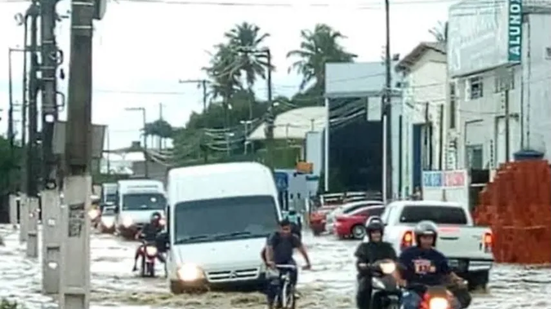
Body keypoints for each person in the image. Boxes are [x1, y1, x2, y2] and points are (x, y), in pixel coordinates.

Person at [399, 221, 465, 309]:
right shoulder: (408, 254)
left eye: (430, 238)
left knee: (455, 305)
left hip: (436, 290)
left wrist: (458, 281)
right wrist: (400, 281)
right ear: (418, 238)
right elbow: (398, 269)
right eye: (424, 238)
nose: (427, 241)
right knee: (410, 305)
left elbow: (448, 273)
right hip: (414, 290)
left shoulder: (438, 256)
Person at [263, 219, 312, 309]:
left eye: (288, 229)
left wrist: (308, 263)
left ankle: (292, 290)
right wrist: (270, 261)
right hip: (275, 262)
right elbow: (268, 249)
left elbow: (302, 250)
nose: (286, 232)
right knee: (273, 284)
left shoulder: (293, 237)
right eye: (284, 229)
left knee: (294, 269)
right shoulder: (274, 237)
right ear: (279, 229)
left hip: (287, 260)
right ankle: (271, 302)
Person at [355, 218, 397, 309]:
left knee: (399, 288)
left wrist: (401, 266)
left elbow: (395, 260)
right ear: (369, 234)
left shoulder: (388, 247)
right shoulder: (364, 247)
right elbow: (360, 262)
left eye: (378, 232)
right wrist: (365, 266)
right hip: (369, 275)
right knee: (364, 288)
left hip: (387, 275)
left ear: (381, 233)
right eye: (373, 233)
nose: (376, 235)